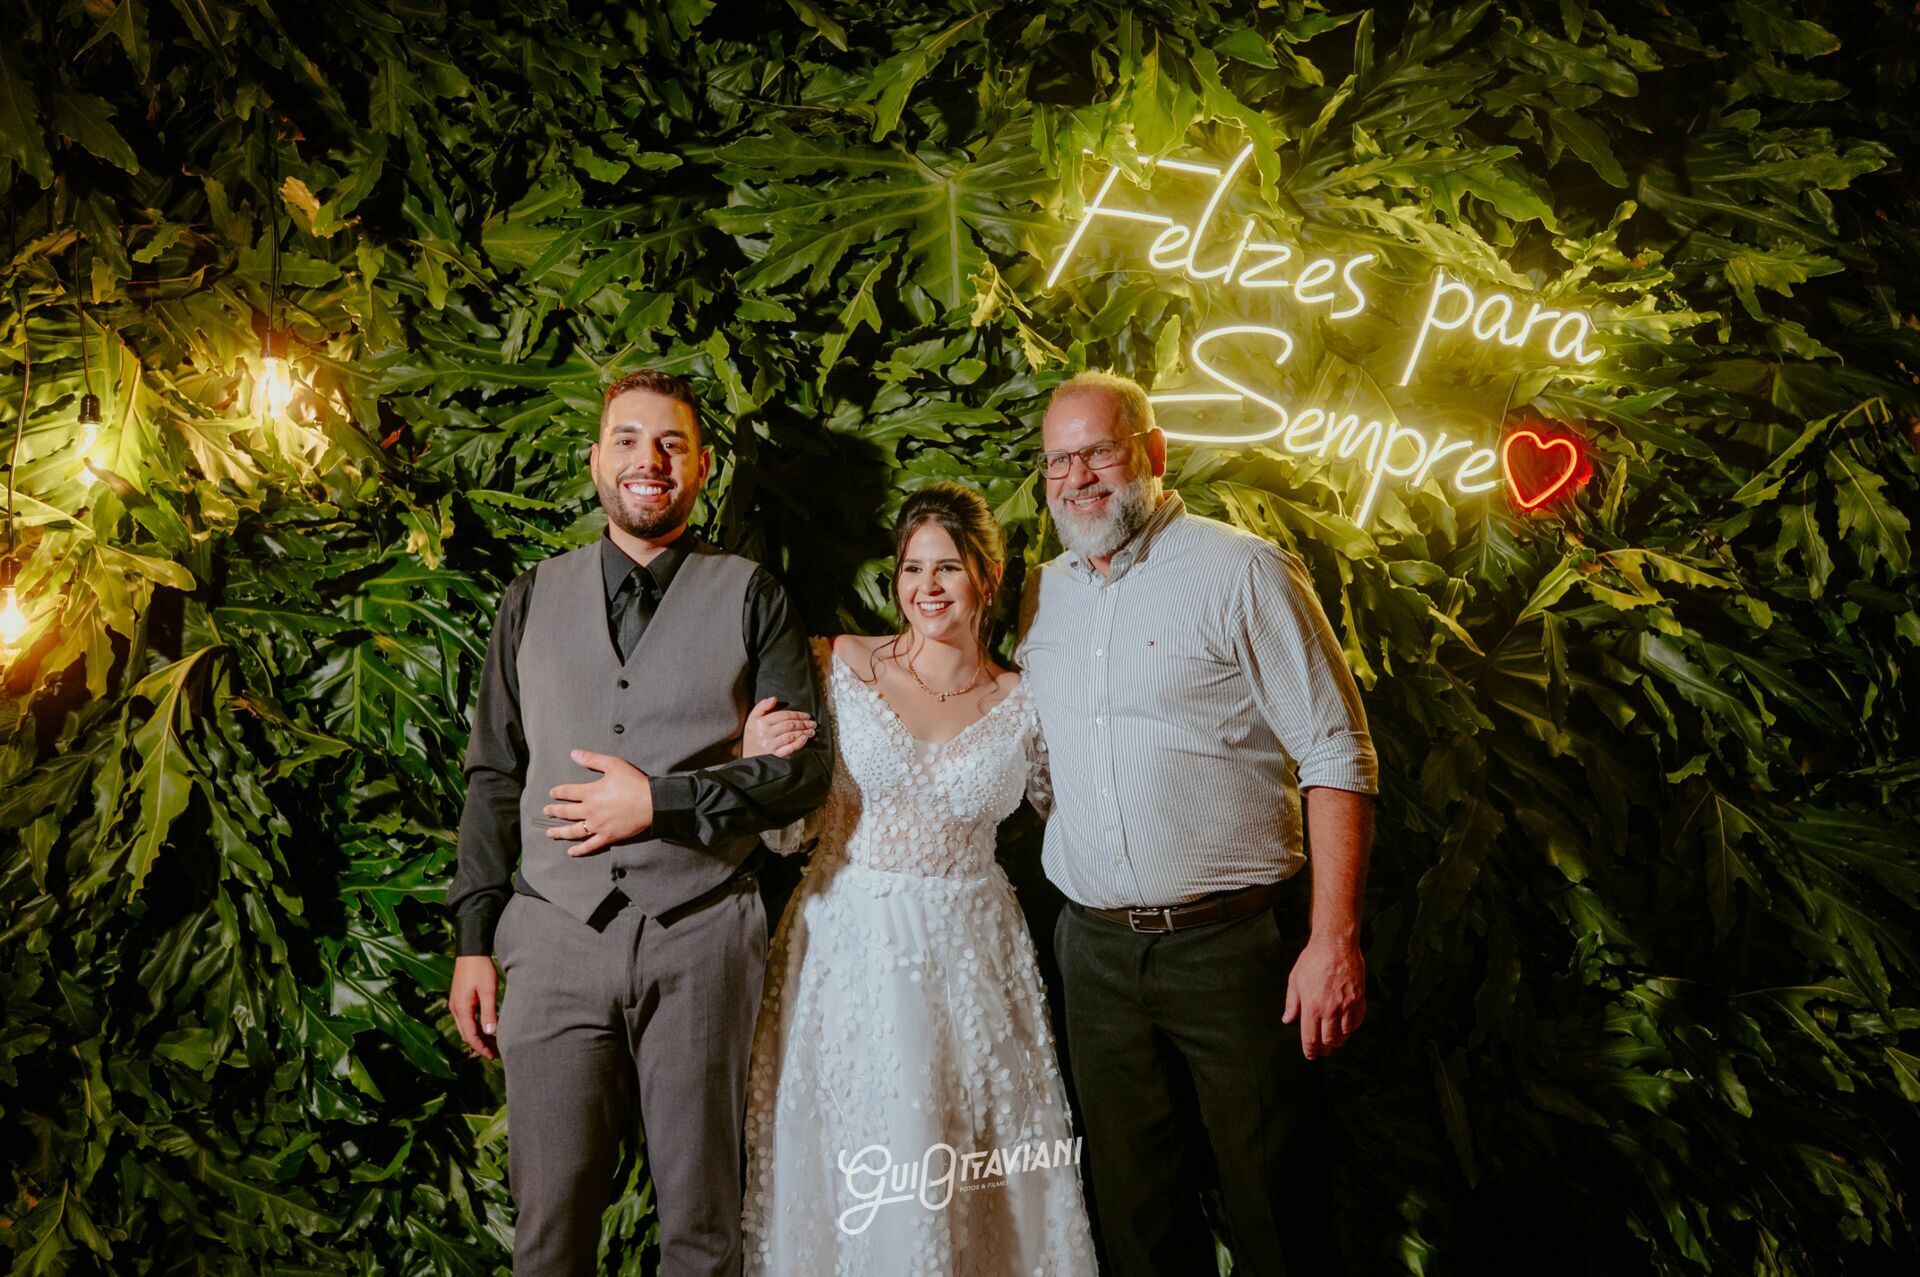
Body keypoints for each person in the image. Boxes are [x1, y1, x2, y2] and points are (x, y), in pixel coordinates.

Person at [444, 369, 832, 1277]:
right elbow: (494, 773)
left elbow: (801, 774)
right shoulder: (531, 597)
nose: (647, 460)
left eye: (670, 444)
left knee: (702, 1230)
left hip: (702, 933)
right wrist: (473, 938)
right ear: (596, 459)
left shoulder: (752, 595)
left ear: (700, 467)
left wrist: (654, 800)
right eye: (627, 439)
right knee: (549, 1228)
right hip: (552, 934)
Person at [1016, 370, 1379, 1277]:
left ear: (1153, 451)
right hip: (1093, 954)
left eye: (1100, 449)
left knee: (1276, 1212)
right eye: (1060, 460)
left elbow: (1339, 753)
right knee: (1135, 1215)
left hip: (1234, 950)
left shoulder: (1242, 569)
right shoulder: (1039, 594)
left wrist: (1334, 938)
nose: (1080, 476)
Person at [734, 483, 1096, 1276]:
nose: (927, 587)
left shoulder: (1025, 700)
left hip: (973, 951)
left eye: (948, 567)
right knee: (860, 1147)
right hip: (848, 941)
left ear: (986, 578)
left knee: (967, 1154)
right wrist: (754, 754)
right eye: (911, 568)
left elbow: (1080, 807)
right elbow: (785, 821)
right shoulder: (841, 665)